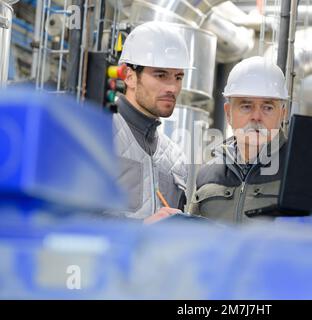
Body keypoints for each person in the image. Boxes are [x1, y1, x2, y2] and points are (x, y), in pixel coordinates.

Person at [189, 56, 289, 224]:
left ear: (282, 114)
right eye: (246, 106)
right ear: (228, 113)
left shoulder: (300, 172)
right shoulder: (206, 175)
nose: (256, 116)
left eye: (267, 107)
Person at [110, 21, 192, 222]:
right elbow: (67, 220)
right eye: (161, 75)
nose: (172, 87)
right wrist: (139, 230)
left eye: (178, 77)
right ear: (129, 76)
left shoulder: (176, 159)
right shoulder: (98, 134)